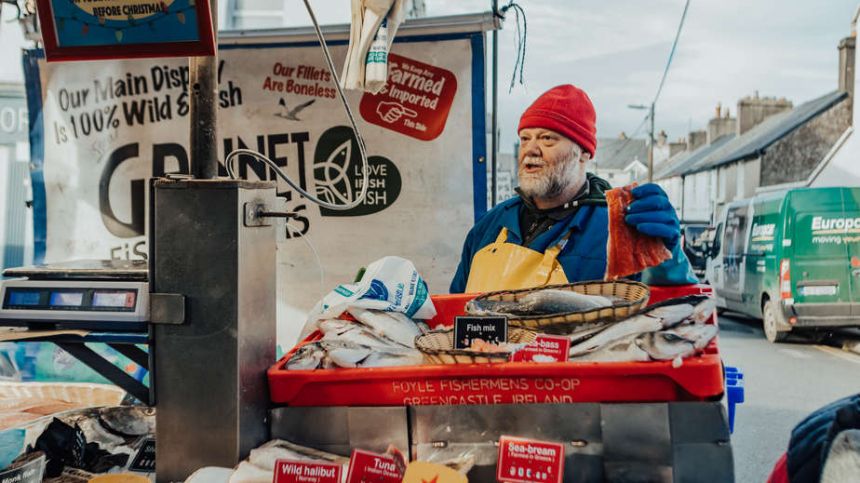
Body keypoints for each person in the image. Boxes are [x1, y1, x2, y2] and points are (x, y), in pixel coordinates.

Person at [450, 84, 696, 293]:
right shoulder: (488, 227)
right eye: (525, 138)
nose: (531, 149)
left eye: (548, 138)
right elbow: (454, 317)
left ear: (584, 153)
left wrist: (668, 260)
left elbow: (669, 313)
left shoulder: (619, 230)